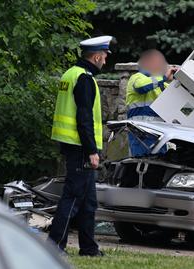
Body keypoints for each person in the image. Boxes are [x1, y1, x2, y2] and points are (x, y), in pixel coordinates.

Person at [48, 35, 114, 256]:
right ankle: (54, 246)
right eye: (104, 57)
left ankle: (88, 248)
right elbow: (84, 118)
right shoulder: (85, 78)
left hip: (72, 144)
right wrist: (92, 151)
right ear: (96, 56)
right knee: (73, 197)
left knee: (88, 202)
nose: (105, 61)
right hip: (80, 147)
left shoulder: (70, 74)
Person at [125, 49, 177, 156]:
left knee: (158, 165)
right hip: (140, 134)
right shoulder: (136, 78)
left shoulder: (161, 85)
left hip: (159, 135)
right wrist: (163, 78)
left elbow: (177, 97)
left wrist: (177, 79)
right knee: (140, 164)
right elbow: (141, 87)